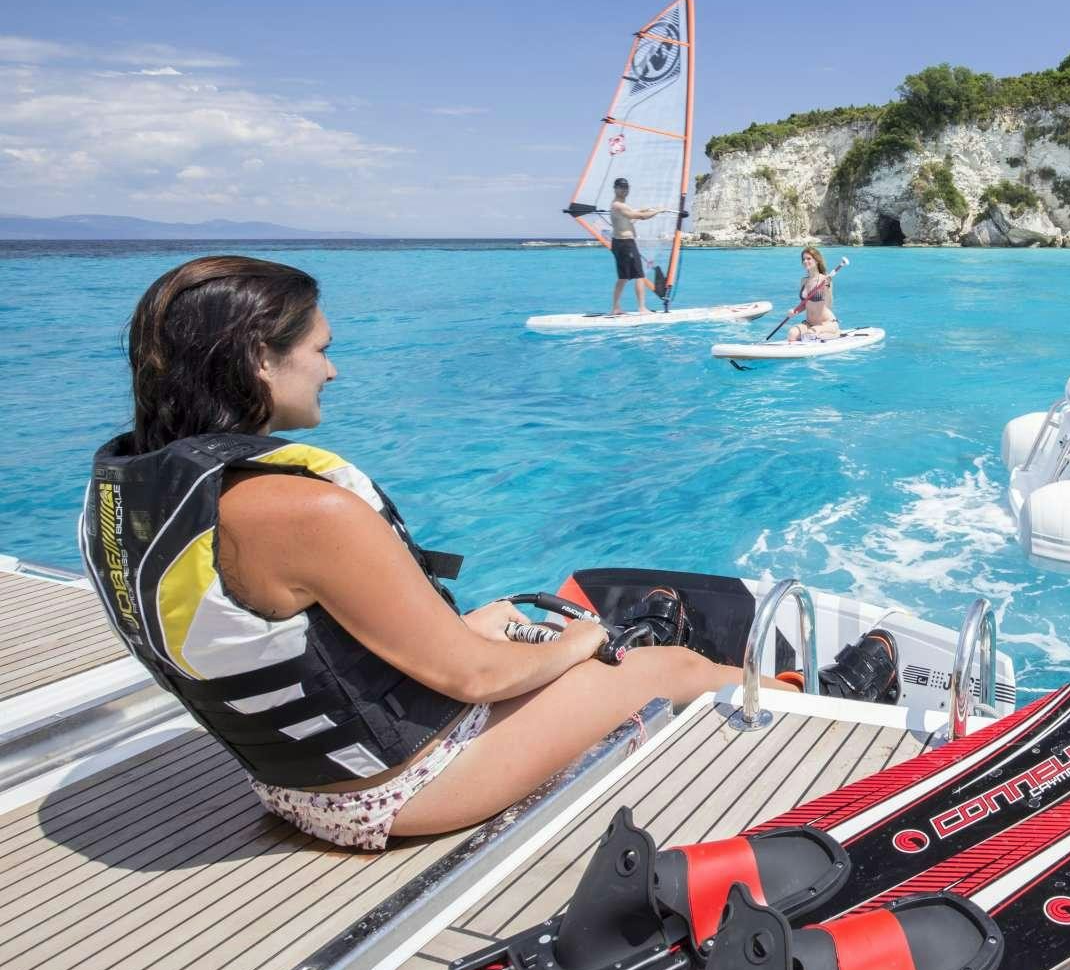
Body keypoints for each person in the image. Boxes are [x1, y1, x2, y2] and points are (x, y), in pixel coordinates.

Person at [80, 256, 749, 852]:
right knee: (668, 665)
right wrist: (585, 644)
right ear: (260, 355)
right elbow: (477, 682)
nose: (331, 369)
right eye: (320, 349)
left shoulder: (134, 493)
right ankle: (809, 698)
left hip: (292, 783)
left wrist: (499, 637)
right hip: (399, 791)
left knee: (499, 613)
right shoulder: (300, 509)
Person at [608, 177, 667, 315]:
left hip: (620, 243)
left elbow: (634, 212)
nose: (624, 190)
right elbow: (639, 216)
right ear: (615, 188)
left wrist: (647, 208)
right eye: (621, 187)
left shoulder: (620, 205)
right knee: (639, 275)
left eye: (626, 188)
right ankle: (642, 308)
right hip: (625, 244)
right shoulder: (618, 205)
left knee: (623, 277)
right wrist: (658, 211)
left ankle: (616, 308)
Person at [786, 245, 841, 343]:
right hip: (809, 324)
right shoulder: (804, 281)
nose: (805, 261)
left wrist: (827, 289)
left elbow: (829, 304)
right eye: (803, 259)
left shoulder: (825, 279)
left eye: (809, 258)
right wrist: (795, 311)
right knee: (792, 333)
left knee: (810, 334)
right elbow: (804, 304)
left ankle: (835, 332)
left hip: (826, 323)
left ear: (817, 260)